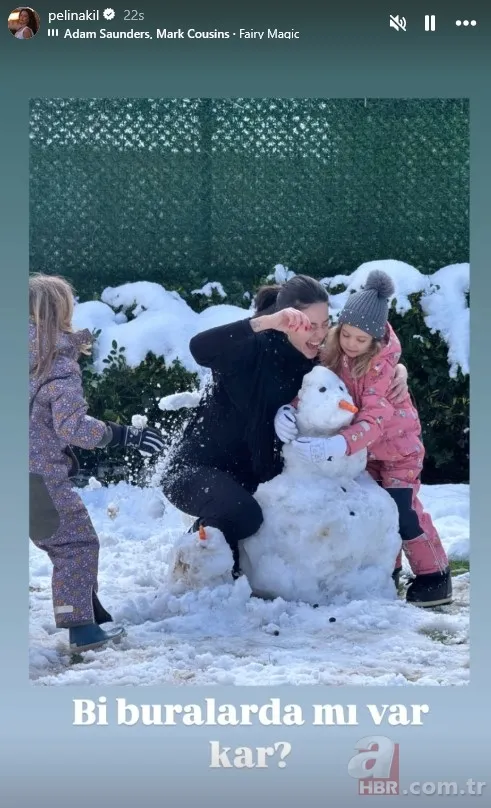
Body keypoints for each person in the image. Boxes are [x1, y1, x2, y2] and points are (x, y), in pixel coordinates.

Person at [162, 274, 409, 580]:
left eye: (324, 324)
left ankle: (220, 558)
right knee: (246, 515)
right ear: (286, 321)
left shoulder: (319, 360)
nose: (318, 334)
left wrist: (398, 369)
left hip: (252, 481)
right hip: (195, 470)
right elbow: (200, 348)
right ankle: (197, 551)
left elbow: (370, 361)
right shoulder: (251, 349)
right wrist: (264, 322)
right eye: (308, 324)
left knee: (258, 526)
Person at [275, 269, 452, 608]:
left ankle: (434, 575)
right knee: (375, 511)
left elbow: (376, 417)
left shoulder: (380, 368)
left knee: (403, 511)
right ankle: (387, 569)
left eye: (362, 340)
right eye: (348, 335)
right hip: (365, 453)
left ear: (376, 341)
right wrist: (290, 409)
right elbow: (317, 384)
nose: (352, 345)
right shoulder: (335, 354)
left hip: (398, 452)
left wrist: (337, 445)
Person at [29, 274, 165, 653]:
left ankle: (93, 609)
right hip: (36, 479)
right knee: (75, 546)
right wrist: (125, 435)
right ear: (62, 313)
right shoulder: (54, 361)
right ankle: (82, 629)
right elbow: (72, 427)